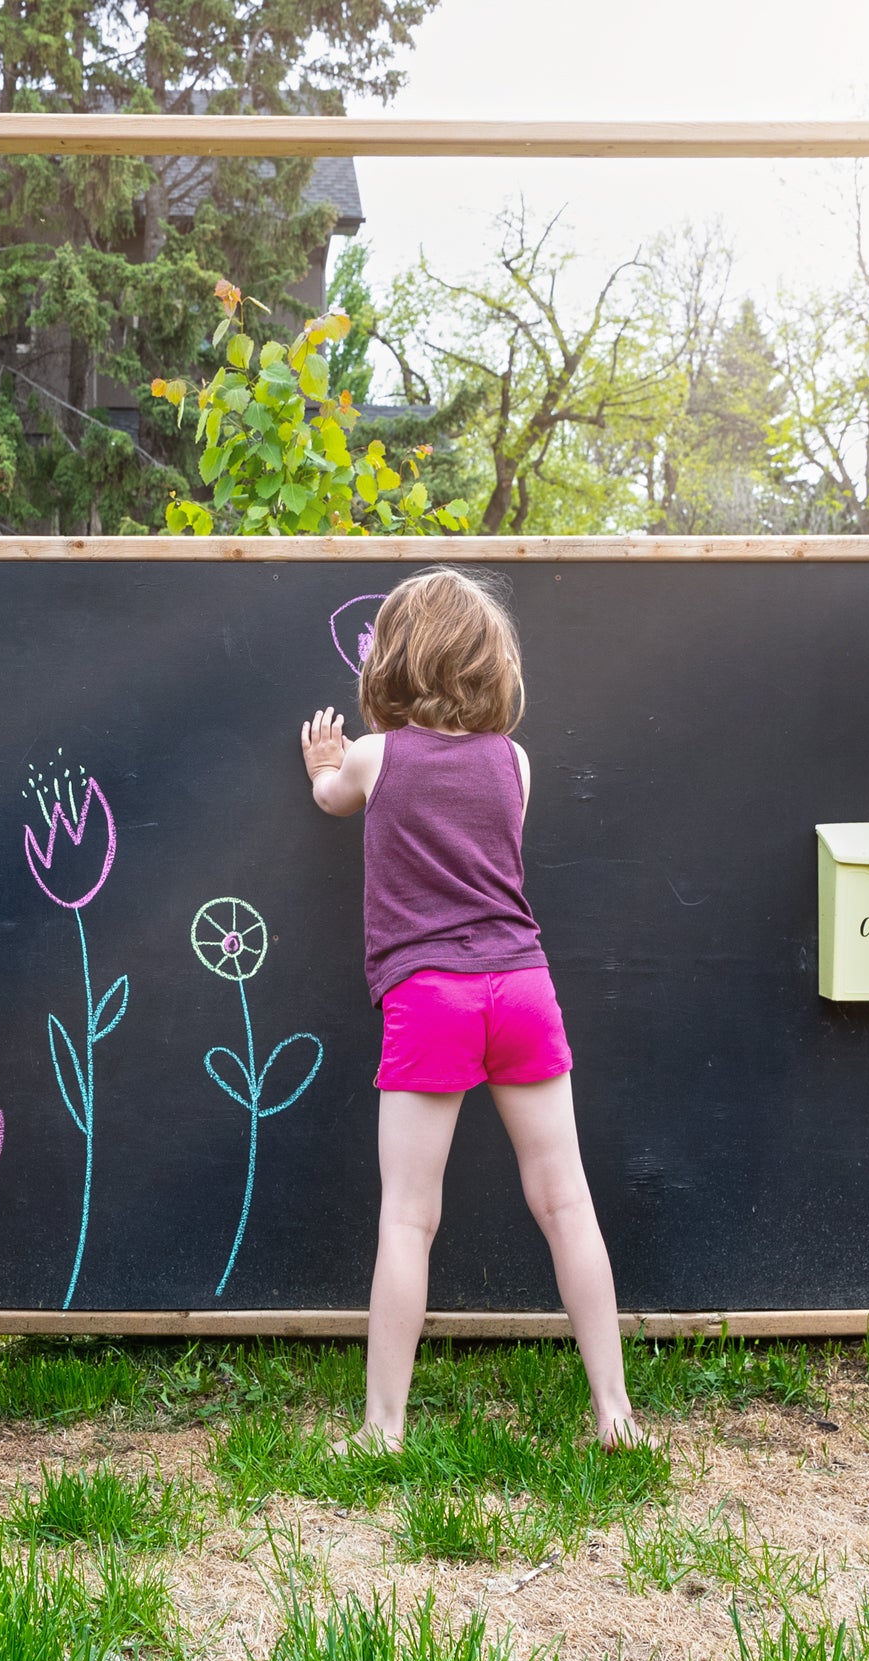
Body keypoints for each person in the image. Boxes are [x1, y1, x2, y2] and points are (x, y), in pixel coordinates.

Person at [300, 569, 645, 1452]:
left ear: (397, 658)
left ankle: (383, 1427)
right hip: (523, 986)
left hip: (431, 997)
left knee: (410, 1216)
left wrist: (324, 767)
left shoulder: (380, 756)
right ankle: (615, 1412)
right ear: (491, 662)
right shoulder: (515, 760)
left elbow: (335, 801)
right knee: (567, 1202)